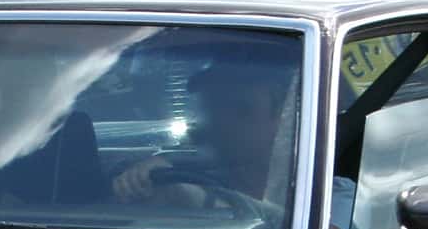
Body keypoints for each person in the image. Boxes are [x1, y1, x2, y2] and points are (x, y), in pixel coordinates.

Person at [111, 57, 294, 207]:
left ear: (282, 118)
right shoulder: (192, 176)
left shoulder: (310, 188)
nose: (223, 122)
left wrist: (203, 201)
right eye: (213, 108)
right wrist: (149, 175)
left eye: (241, 110)